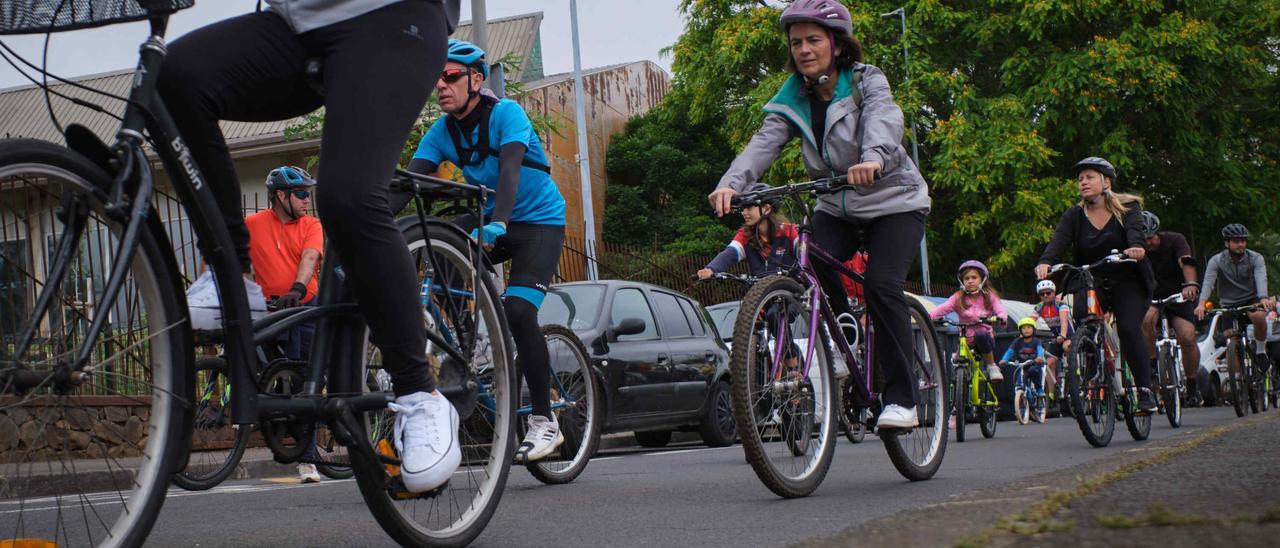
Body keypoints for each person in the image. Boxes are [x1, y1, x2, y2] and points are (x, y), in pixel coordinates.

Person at [158, 0, 464, 494]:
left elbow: (308, 253)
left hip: (390, 15)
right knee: (173, 78)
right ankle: (233, 278)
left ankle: (419, 394)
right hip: (296, 23)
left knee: (346, 197)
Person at [707, 0, 931, 429]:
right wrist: (731, 184)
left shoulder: (866, 80)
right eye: (796, 43)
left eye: (813, 40)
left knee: (883, 286)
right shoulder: (793, 96)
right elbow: (764, 142)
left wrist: (874, 158)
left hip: (894, 202)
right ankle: (845, 323)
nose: (804, 50)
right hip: (838, 206)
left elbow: (885, 120)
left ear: (836, 43)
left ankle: (903, 399)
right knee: (804, 259)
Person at [407, 39, 568, 464]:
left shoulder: (506, 114)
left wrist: (498, 222)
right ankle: (463, 336)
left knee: (519, 312)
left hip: (538, 222)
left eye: (451, 76)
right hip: (491, 219)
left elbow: (511, 170)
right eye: (435, 78)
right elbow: (407, 186)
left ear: (476, 79)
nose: (440, 85)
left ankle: (543, 422)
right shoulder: (441, 131)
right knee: (438, 239)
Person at [1035, 157, 1158, 414]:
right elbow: (1059, 241)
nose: (1083, 182)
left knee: (1127, 327)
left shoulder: (1128, 208)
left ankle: (1145, 390)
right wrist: (1046, 262)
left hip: (1128, 277)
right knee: (1085, 318)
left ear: (1106, 182)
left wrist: (1135, 247)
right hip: (1092, 278)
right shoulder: (1075, 215)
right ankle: (1091, 357)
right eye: (1080, 179)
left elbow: (1135, 232)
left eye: (1089, 177)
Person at [245, 165, 325, 483]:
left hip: (305, 304)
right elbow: (227, 252)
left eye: (309, 193)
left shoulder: (312, 224)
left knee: (307, 379)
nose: (307, 200)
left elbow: (309, 258)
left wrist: (297, 288)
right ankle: (276, 427)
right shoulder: (252, 224)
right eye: (302, 194)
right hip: (269, 310)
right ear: (281, 196)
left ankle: (308, 459)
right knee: (271, 374)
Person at [1138, 211, 1204, 406]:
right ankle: (1151, 365)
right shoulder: (1136, 248)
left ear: (1158, 232)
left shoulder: (1175, 240)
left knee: (1187, 336)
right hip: (1152, 296)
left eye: (1151, 237)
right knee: (1146, 320)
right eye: (1145, 240)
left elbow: (1186, 262)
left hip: (1178, 294)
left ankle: (1192, 385)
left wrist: (1191, 284)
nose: (1149, 243)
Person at [1195, 223, 1275, 370]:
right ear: (1227, 243)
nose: (1241, 244)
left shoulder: (1255, 258)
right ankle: (1237, 380)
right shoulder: (1216, 260)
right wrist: (1201, 303)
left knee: (1258, 317)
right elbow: (1208, 282)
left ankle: (1261, 351)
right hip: (1229, 304)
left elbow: (1260, 277)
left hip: (1252, 299)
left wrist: (1263, 297)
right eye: (1236, 241)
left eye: (1243, 241)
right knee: (1230, 337)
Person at [697, 183, 798, 280]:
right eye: (743, 208)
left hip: (793, 291)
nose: (744, 213)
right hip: (761, 292)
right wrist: (711, 269)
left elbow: (807, 255)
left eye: (749, 208)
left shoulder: (789, 231)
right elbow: (730, 253)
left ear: (767, 209)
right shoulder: (745, 235)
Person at [929, 261, 1009, 382]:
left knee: (980, 334)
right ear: (962, 281)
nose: (970, 281)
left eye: (974, 277)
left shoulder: (989, 296)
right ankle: (957, 378)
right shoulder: (958, 297)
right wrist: (928, 316)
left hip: (985, 339)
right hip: (966, 340)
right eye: (966, 278)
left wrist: (1001, 317)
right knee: (955, 354)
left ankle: (991, 366)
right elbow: (943, 308)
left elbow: (1000, 309)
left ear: (982, 279)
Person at [1032, 279, 1072, 398]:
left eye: (1048, 293)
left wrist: (1063, 335)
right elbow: (1031, 321)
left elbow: (1064, 322)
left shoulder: (1061, 305)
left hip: (1068, 335)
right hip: (1056, 338)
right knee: (1049, 364)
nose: (1045, 295)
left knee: (1066, 346)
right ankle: (1051, 396)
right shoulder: (1038, 307)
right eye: (1042, 294)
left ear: (1054, 293)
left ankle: (1073, 370)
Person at [1000, 317, 1047, 405]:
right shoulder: (1017, 341)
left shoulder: (1036, 341)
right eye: (1024, 328)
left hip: (1034, 364)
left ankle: (1039, 388)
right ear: (1020, 331)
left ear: (1033, 329)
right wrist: (1004, 359)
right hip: (1022, 366)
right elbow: (1010, 351)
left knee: (1034, 371)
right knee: (1019, 381)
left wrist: (1040, 357)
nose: (1026, 330)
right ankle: (1021, 397)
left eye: (1029, 327)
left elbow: (1040, 349)